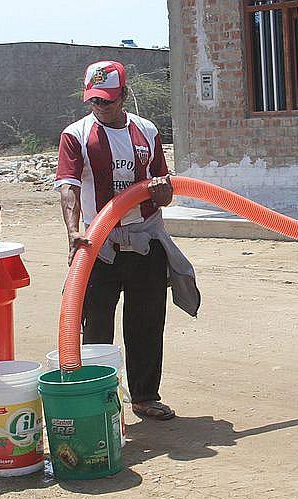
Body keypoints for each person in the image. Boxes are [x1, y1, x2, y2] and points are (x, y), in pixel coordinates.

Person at [55, 60, 200, 421]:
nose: (100, 106)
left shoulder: (146, 131)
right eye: (94, 100)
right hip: (98, 245)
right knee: (95, 327)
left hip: (144, 241)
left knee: (146, 322)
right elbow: (69, 187)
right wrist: (74, 232)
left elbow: (163, 188)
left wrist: (162, 191)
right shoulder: (76, 135)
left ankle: (145, 396)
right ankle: (96, 399)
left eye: (107, 100)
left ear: (123, 95)